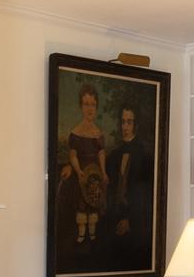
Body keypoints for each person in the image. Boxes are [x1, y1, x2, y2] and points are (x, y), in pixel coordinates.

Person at [59, 86, 108, 246]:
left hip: (95, 175)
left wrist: (104, 172)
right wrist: (78, 170)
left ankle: (92, 236)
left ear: (96, 106)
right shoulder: (76, 132)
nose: (89, 108)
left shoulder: (98, 133)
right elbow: (73, 155)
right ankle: (81, 236)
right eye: (86, 104)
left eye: (92, 104)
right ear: (81, 106)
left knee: (93, 202)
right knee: (82, 204)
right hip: (81, 175)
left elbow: (101, 154)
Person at [107, 104, 153, 256]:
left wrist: (130, 220)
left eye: (129, 122)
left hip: (136, 219)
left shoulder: (145, 153)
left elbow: (145, 192)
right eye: (123, 122)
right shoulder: (114, 154)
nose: (125, 126)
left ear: (135, 125)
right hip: (115, 215)